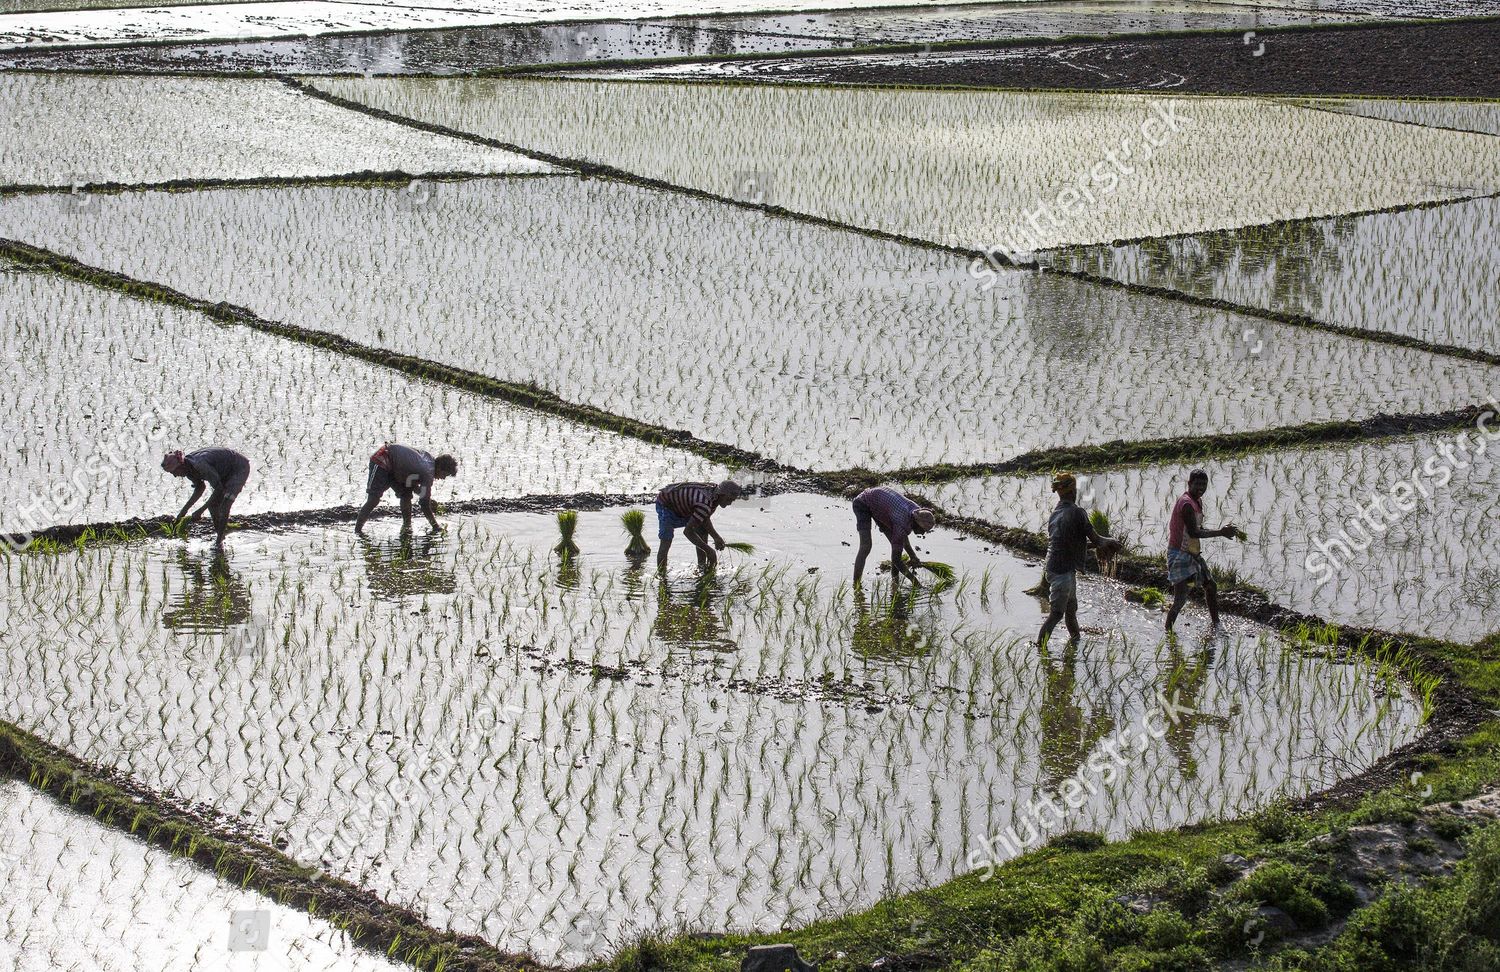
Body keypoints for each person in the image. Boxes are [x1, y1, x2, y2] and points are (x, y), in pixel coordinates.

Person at [1038, 472, 1121, 645]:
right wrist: (1111, 541)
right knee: (1056, 614)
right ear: (1072, 491)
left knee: (1071, 610)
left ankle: (1075, 642)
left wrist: (1094, 546)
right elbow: (1097, 540)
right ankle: (1040, 648)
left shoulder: (1056, 514)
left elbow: (1071, 542)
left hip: (1054, 567)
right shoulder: (1077, 512)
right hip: (1062, 572)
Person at [1165, 469, 1241, 632]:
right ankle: (1168, 632)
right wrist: (1220, 532)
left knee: (1211, 586)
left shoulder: (1197, 501)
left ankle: (1216, 624)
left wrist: (1220, 531)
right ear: (1189, 484)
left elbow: (1196, 527)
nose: (1201, 487)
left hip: (1191, 553)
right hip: (1179, 555)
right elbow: (1194, 532)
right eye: (1197, 484)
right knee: (1180, 600)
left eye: (1204, 484)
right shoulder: (1186, 504)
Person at [355, 443, 457, 535]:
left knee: (406, 494)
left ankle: (407, 526)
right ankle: (358, 531)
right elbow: (424, 504)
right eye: (444, 474)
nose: (443, 478)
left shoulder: (428, 460)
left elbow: (411, 484)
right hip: (383, 459)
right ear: (439, 467)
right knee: (373, 499)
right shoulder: (428, 473)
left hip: (397, 468)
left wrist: (427, 498)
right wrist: (435, 526)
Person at [851, 486, 936, 590]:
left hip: (882, 506)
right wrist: (915, 582)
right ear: (917, 523)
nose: (923, 533)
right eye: (923, 529)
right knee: (866, 546)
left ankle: (895, 584)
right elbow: (896, 559)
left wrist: (913, 556)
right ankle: (856, 585)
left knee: (895, 546)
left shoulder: (917, 511)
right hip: (863, 503)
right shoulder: (901, 521)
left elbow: (901, 539)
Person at [162, 447, 251, 545]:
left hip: (238, 467)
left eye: (174, 472)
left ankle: (219, 542)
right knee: (213, 506)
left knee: (225, 505)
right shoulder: (188, 469)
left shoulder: (200, 465)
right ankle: (221, 535)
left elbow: (219, 489)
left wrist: (200, 511)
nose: (175, 475)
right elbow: (200, 488)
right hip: (223, 472)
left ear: (180, 466)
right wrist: (182, 513)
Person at [655, 480, 741, 571]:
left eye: (732, 500)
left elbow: (704, 518)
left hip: (686, 505)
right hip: (666, 505)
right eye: (729, 499)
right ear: (722, 495)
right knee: (666, 540)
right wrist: (709, 550)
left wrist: (716, 537)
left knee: (702, 530)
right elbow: (688, 532)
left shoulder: (714, 495)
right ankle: (662, 575)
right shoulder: (704, 503)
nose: (730, 503)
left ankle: (701, 567)